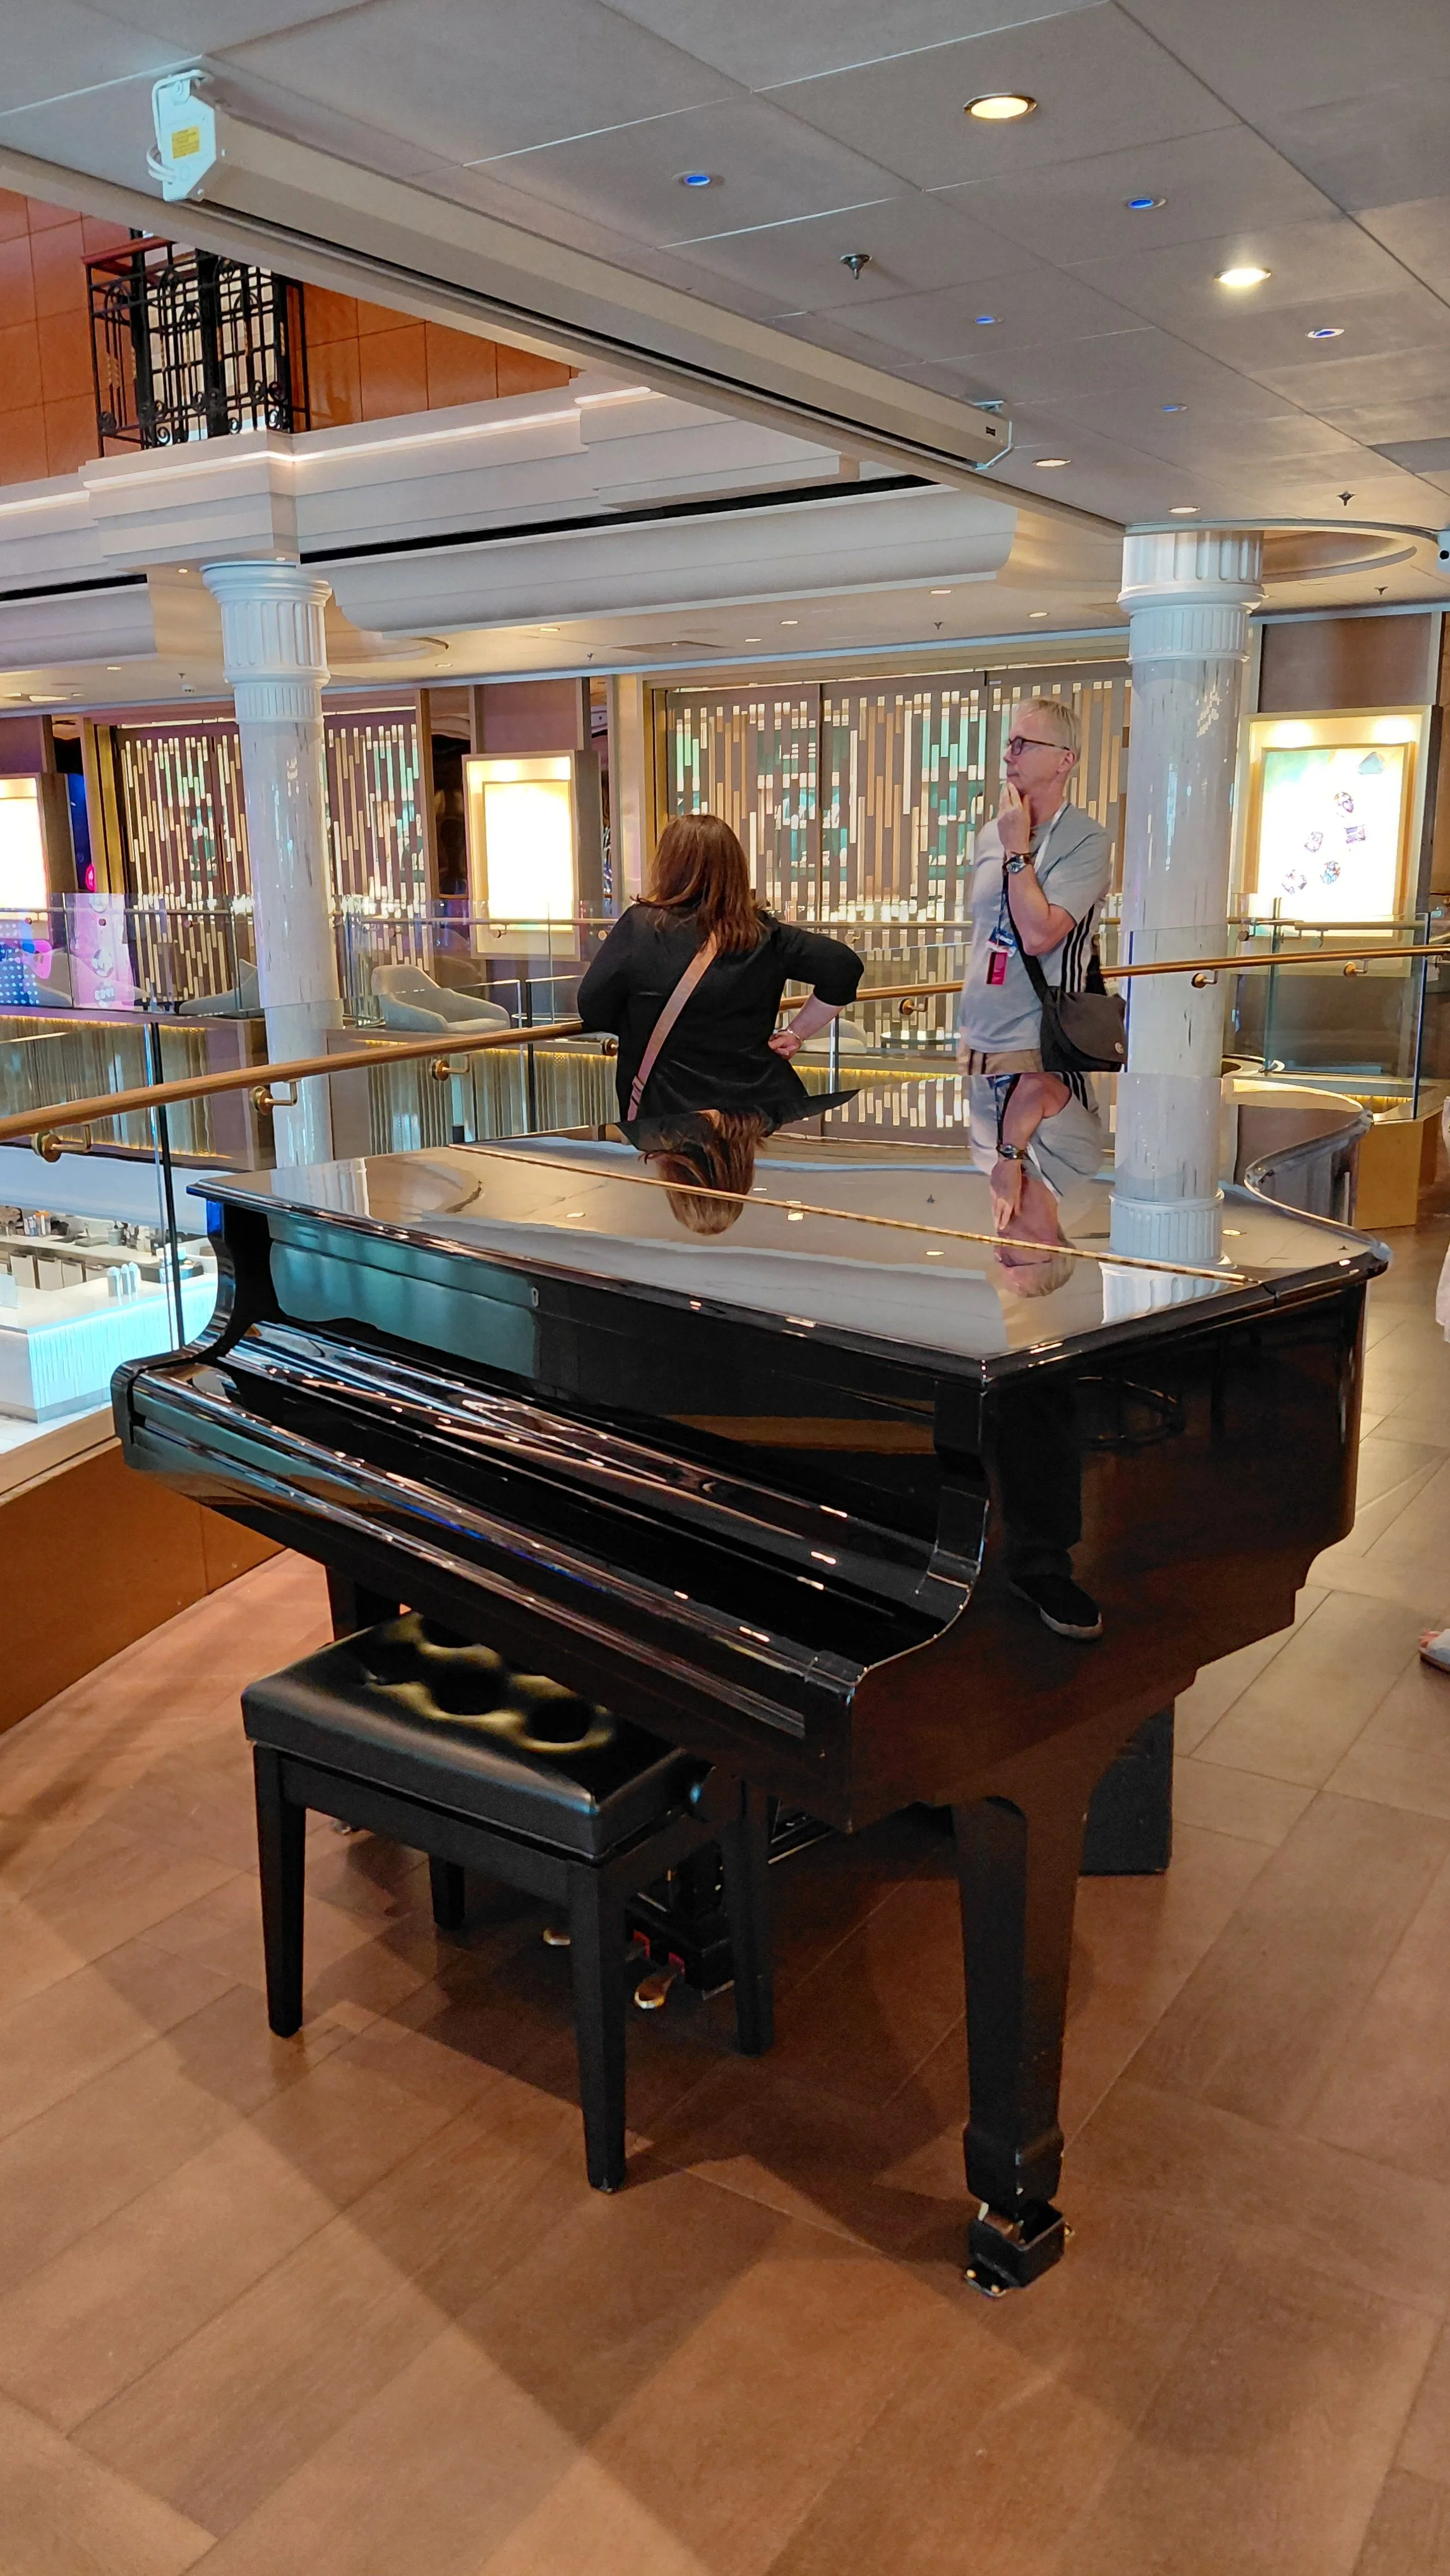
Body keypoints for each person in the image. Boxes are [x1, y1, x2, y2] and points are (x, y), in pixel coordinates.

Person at [577, 814, 863, 1132]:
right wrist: (796, 1033)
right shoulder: (762, 933)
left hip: (669, 1111)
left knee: (677, 1168)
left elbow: (593, 1007)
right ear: (735, 868)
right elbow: (844, 967)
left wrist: (643, 1019)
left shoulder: (642, 926)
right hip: (758, 1112)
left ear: (668, 865)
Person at [957, 695, 1112, 1211]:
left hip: (1037, 1039)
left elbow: (1039, 935)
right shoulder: (991, 835)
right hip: (977, 1035)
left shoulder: (1085, 841)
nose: (1009, 755)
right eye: (1009, 743)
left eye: (1024, 744)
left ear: (1065, 760)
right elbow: (987, 932)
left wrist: (1019, 852)